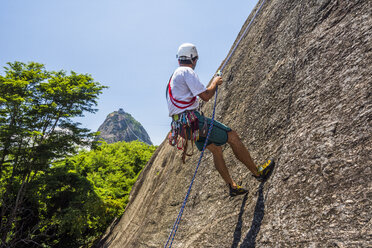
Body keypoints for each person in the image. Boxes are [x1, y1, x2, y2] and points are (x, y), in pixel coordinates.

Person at [167, 43, 275, 197]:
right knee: (232, 136)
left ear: (179, 59)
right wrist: (214, 83)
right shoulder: (187, 72)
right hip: (193, 121)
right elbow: (206, 96)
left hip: (184, 128)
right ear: (193, 58)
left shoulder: (173, 78)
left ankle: (232, 186)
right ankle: (258, 173)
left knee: (216, 150)